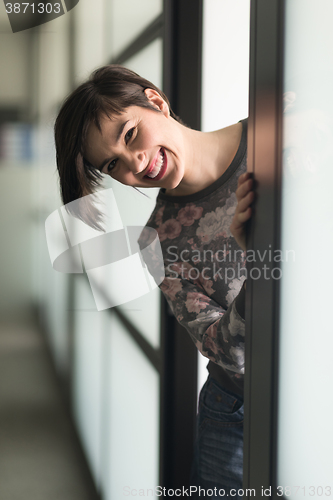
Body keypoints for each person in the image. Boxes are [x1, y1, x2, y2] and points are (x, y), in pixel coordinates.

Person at [54, 65, 254, 499]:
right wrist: (256, 260)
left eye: (129, 135)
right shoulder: (159, 238)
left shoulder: (271, 138)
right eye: (113, 165)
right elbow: (228, 351)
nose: (135, 164)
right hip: (235, 413)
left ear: (157, 102)